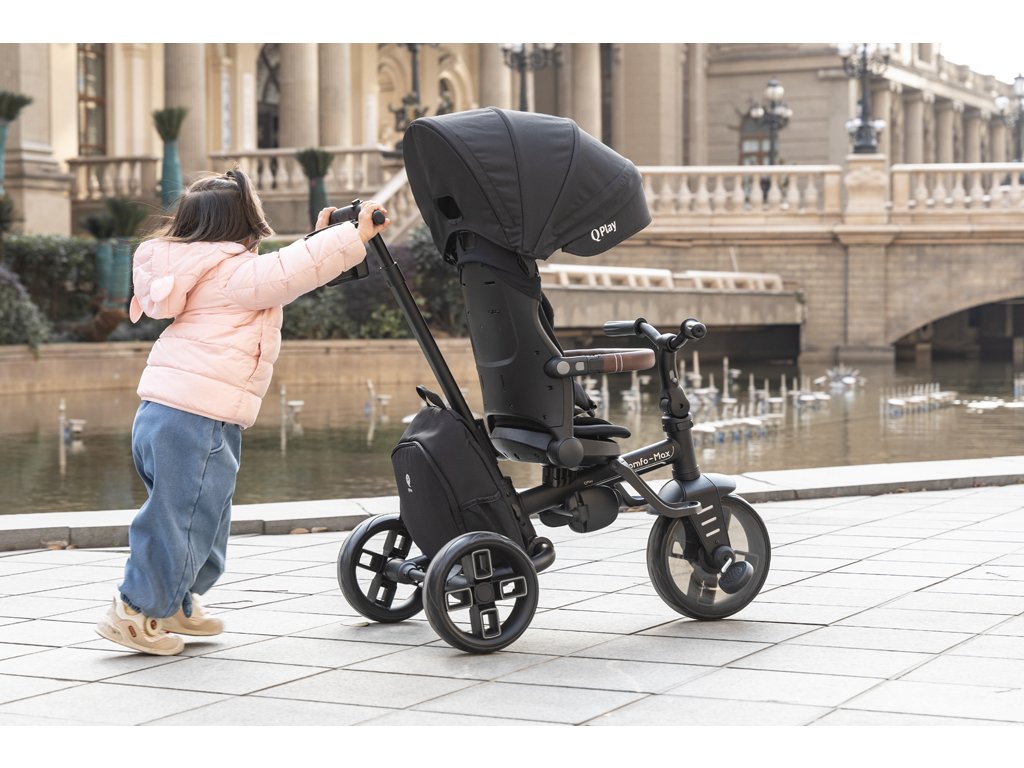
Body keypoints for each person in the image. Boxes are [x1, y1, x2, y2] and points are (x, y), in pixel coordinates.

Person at [95, 168, 389, 655]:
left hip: (169, 412)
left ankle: (174, 602)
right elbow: (286, 272)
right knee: (182, 518)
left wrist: (322, 240)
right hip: (196, 416)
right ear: (242, 224)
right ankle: (134, 610)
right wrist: (350, 235)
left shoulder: (197, 267)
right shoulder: (231, 274)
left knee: (200, 514)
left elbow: (284, 270)